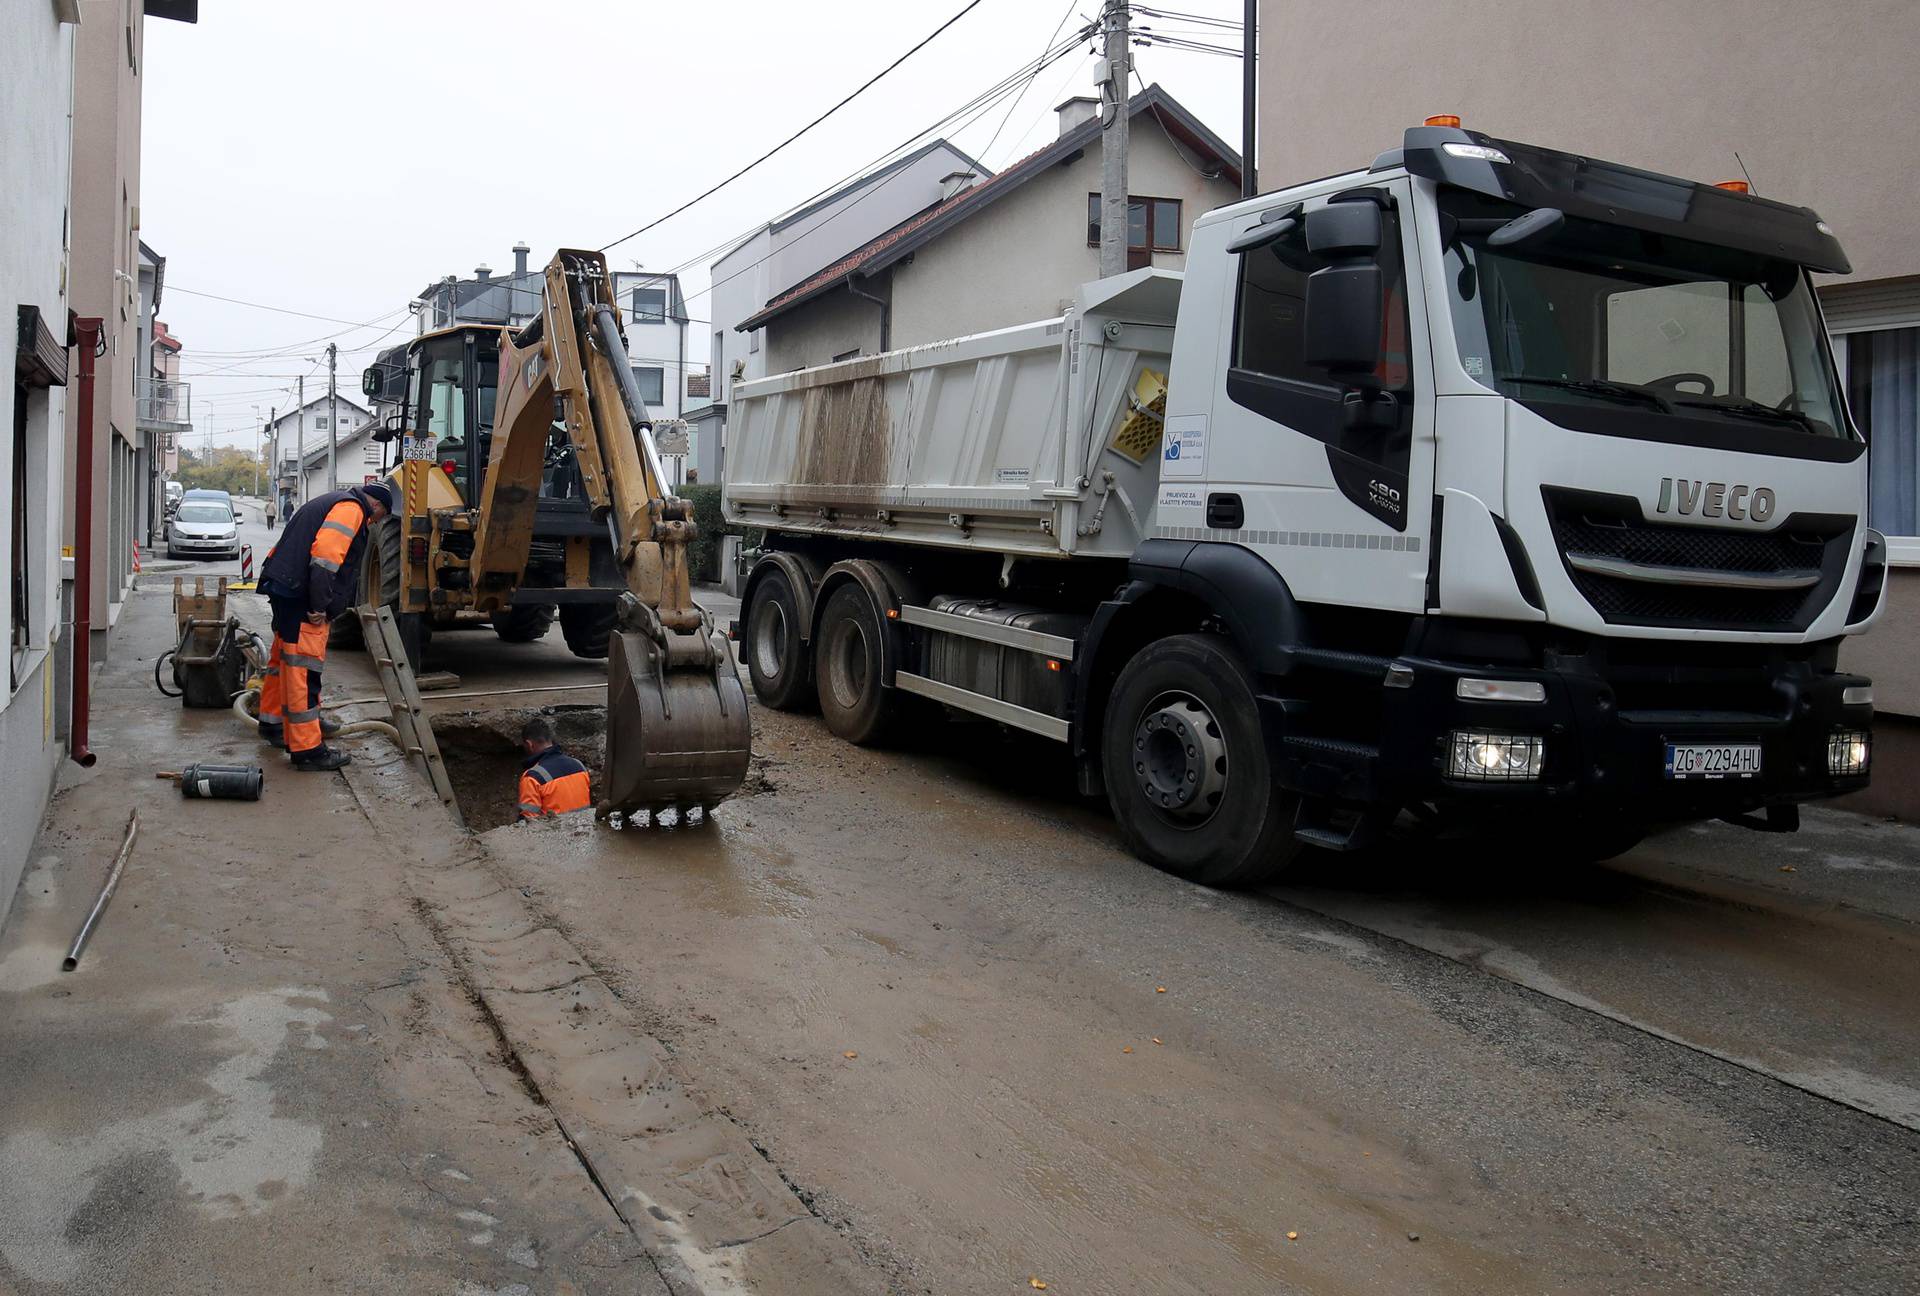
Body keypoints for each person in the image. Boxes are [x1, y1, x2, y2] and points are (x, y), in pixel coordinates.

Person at [256, 480, 395, 770]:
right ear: (377, 506)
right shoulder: (351, 510)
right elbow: (325, 561)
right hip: (302, 597)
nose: (374, 523)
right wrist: (319, 606)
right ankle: (308, 750)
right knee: (303, 671)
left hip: (286, 588)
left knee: (283, 662)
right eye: (378, 518)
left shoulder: (334, 501)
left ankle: (273, 724)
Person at [517, 717, 592, 820]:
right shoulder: (579, 766)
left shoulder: (532, 778)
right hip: (584, 830)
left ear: (529, 744)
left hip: (554, 835)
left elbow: (528, 823)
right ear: (550, 740)